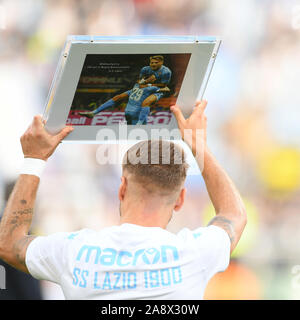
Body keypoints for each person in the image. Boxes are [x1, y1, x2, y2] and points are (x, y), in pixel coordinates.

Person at [0, 100, 247, 300]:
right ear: (180, 199)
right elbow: (234, 215)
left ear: (123, 187)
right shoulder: (195, 252)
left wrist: (35, 159)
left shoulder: (74, 252)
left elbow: (9, 244)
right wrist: (198, 144)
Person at [79, 55, 171, 124]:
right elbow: (139, 79)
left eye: (156, 63)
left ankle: (139, 124)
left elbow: (163, 84)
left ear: (161, 63)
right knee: (118, 97)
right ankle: (93, 113)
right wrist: (141, 82)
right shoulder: (145, 69)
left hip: (159, 89)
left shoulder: (166, 72)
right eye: (152, 62)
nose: (153, 64)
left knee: (146, 102)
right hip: (143, 87)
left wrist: (149, 84)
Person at [79, 82, 170, 125]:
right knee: (140, 134)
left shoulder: (135, 87)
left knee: (117, 97)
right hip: (138, 114)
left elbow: (117, 98)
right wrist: (156, 87)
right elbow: (166, 89)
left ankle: (94, 112)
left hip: (128, 113)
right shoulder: (151, 88)